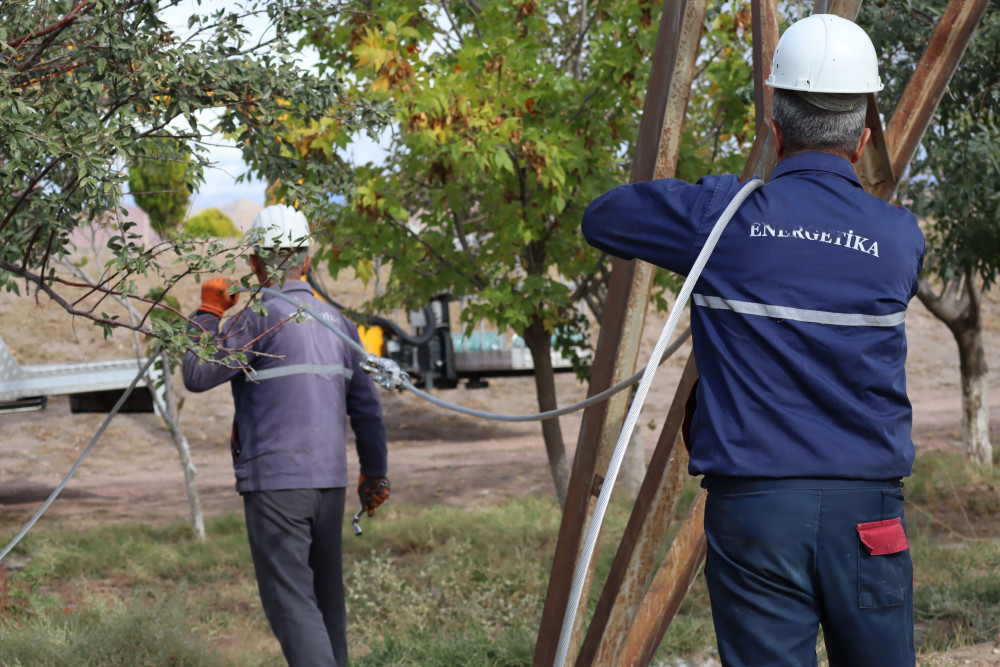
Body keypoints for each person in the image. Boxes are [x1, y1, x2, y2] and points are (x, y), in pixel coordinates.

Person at [582, 15, 923, 667]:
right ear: (862, 138)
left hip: (756, 516)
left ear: (774, 128)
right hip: (867, 513)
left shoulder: (721, 222)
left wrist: (714, 200)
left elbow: (603, 217)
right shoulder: (899, 238)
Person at [182, 204, 391, 667]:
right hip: (329, 485)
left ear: (255, 264)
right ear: (307, 261)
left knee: (294, 608)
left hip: (277, 485)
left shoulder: (257, 317)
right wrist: (374, 476)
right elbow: (369, 413)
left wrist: (207, 312)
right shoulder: (339, 323)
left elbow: (196, 374)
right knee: (326, 608)